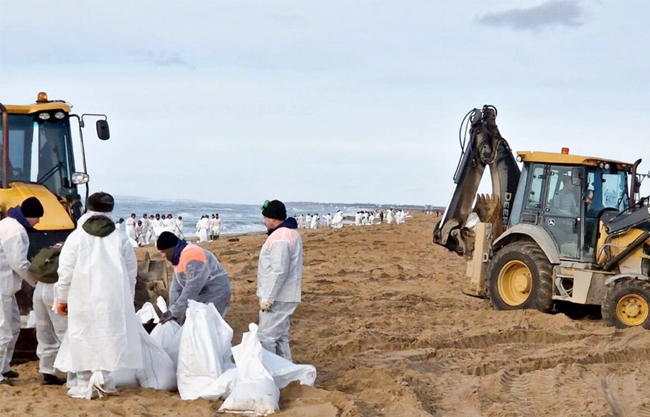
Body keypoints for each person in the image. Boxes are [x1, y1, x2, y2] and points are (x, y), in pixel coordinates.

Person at [54, 192, 142, 399]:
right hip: (113, 297)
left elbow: (65, 271)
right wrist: (127, 298)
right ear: (111, 210)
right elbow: (131, 272)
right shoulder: (120, 237)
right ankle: (104, 380)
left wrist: (62, 298)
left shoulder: (76, 237)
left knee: (82, 337)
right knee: (109, 336)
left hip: (81, 296)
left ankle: (84, 384)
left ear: (88, 208)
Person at [0, 197, 42, 385]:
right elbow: (19, 263)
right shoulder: (16, 230)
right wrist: (36, 282)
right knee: (4, 330)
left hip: (7, 288)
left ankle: (4, 367)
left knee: (14, 326)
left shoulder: (7, 223)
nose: (38, 222)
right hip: (2, 286)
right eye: (38, 217)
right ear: (30, 215)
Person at [257, 200, 303, 361]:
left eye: (265, 217)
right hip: (284, 294)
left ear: (273, 218)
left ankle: (270, 370)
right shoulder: (288, 233)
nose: (264, 221)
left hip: (279, 296)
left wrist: (268, 298)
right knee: (280, 336)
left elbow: (279, 270)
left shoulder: (281, 236)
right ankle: (285, 369)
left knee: (266, 337)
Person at [156, 231, 231, 321]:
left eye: (163, 252)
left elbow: (192, 287)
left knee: (205, 323)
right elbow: (176, 287)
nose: (162, 256)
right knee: (187, 321)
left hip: (215, 292)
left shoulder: (193, 256)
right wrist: (171, 310)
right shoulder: (178, 258)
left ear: (170, 249)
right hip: (200, 293)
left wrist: (174, 311)